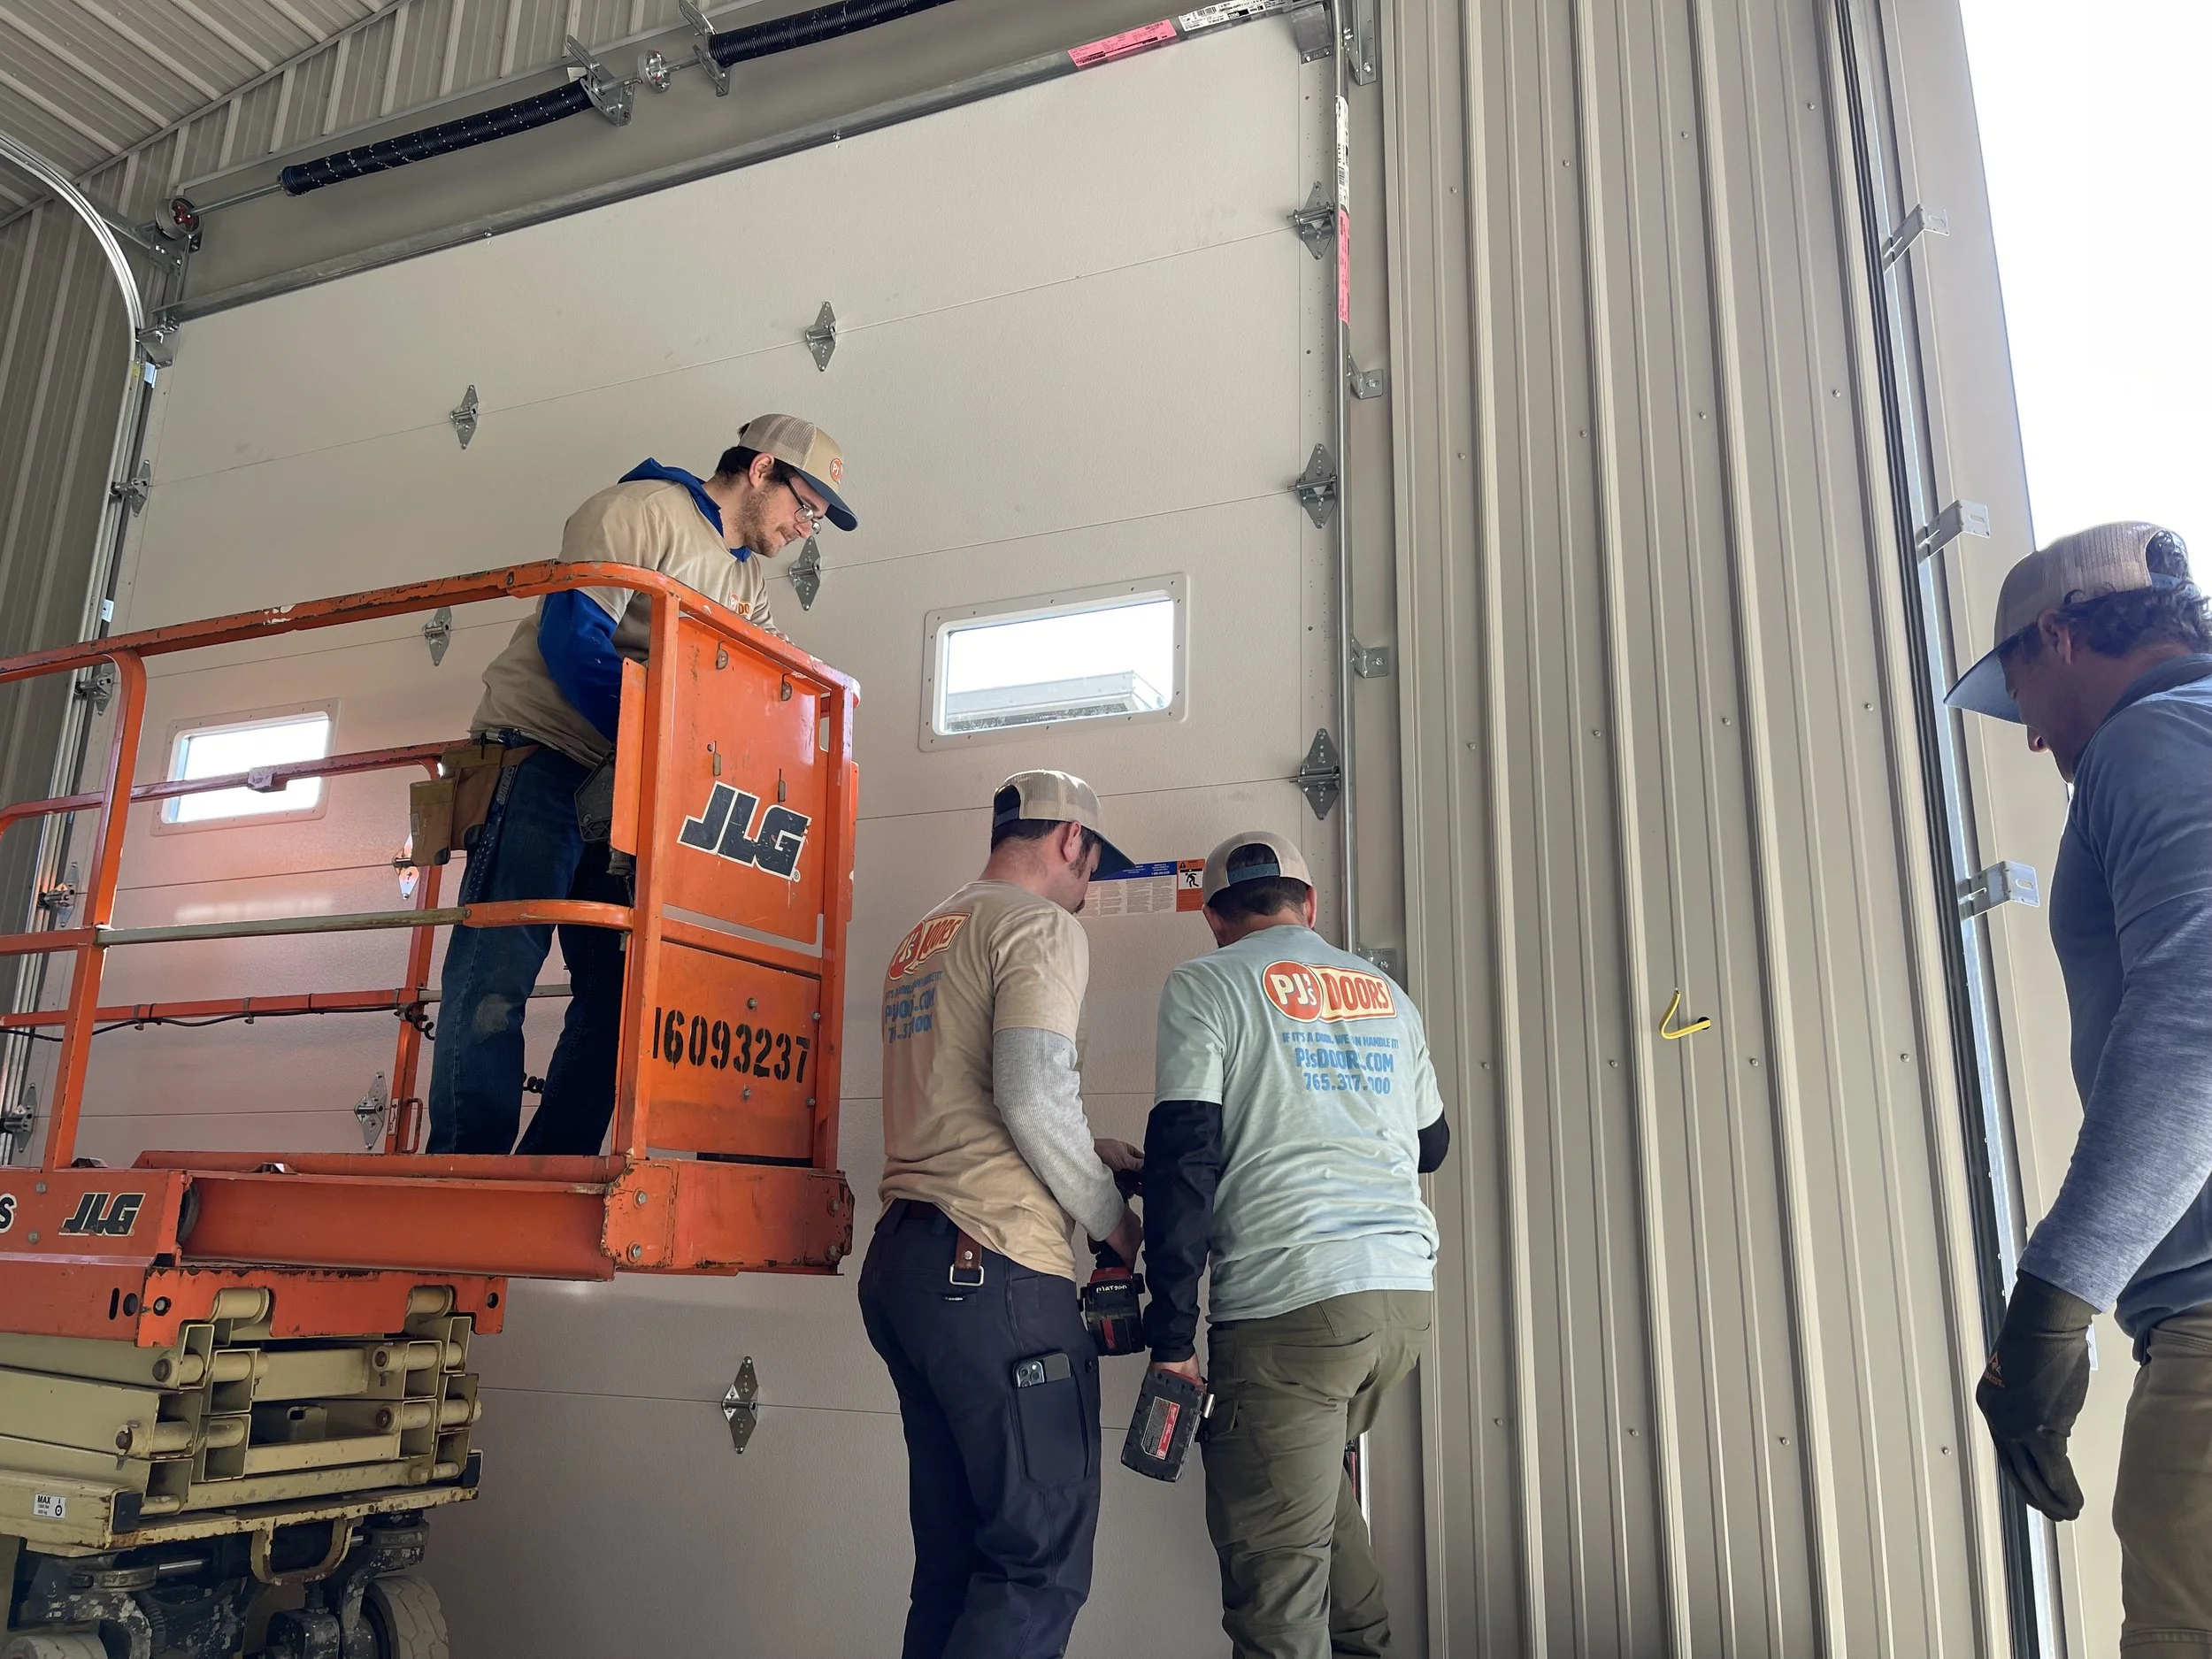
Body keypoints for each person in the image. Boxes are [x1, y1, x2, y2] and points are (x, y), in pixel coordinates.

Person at [426, 414, 856, 1156]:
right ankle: (468, 1163)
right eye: (804, 508)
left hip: (626, 784)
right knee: (498, 974)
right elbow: (572, 642)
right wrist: (666, 742)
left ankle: (551, 1164)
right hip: (545, 758)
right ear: (760, 470)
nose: (802, 530)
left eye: (814, 520)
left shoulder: (744, 579)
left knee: (621, 994)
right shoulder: (638, 512)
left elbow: (748, 690)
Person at [1948, 521, 2212, 1647]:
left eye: (2020, 697)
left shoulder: (2144, 741)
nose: (2030, 745)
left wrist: (2053, 1305)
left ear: (2058, 637)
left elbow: (2200, 1008)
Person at [1141, 830, 1448, 1659]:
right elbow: (1431, 1145)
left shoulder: (1206, 983)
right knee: (1325, 1529)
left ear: (1213, 916)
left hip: (1291, 1317)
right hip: (1400, 1306)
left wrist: (1170, 1338)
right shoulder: (1387, 992)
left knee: (1275, 1606)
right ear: (1308, 905)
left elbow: (1186, 1161)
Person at [858, 769, 1146, 1659]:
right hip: (994, 1274)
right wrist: (1115, 1225)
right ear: (1070, 842)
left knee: (954, 1563)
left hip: (909, 1265)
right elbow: (1028, 1094)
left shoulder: (926, 934)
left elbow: (967, 1102)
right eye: (1091, 866)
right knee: (1035, 1563)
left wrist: (1081, 1149)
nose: (1087, 889)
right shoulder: (1039, 926)